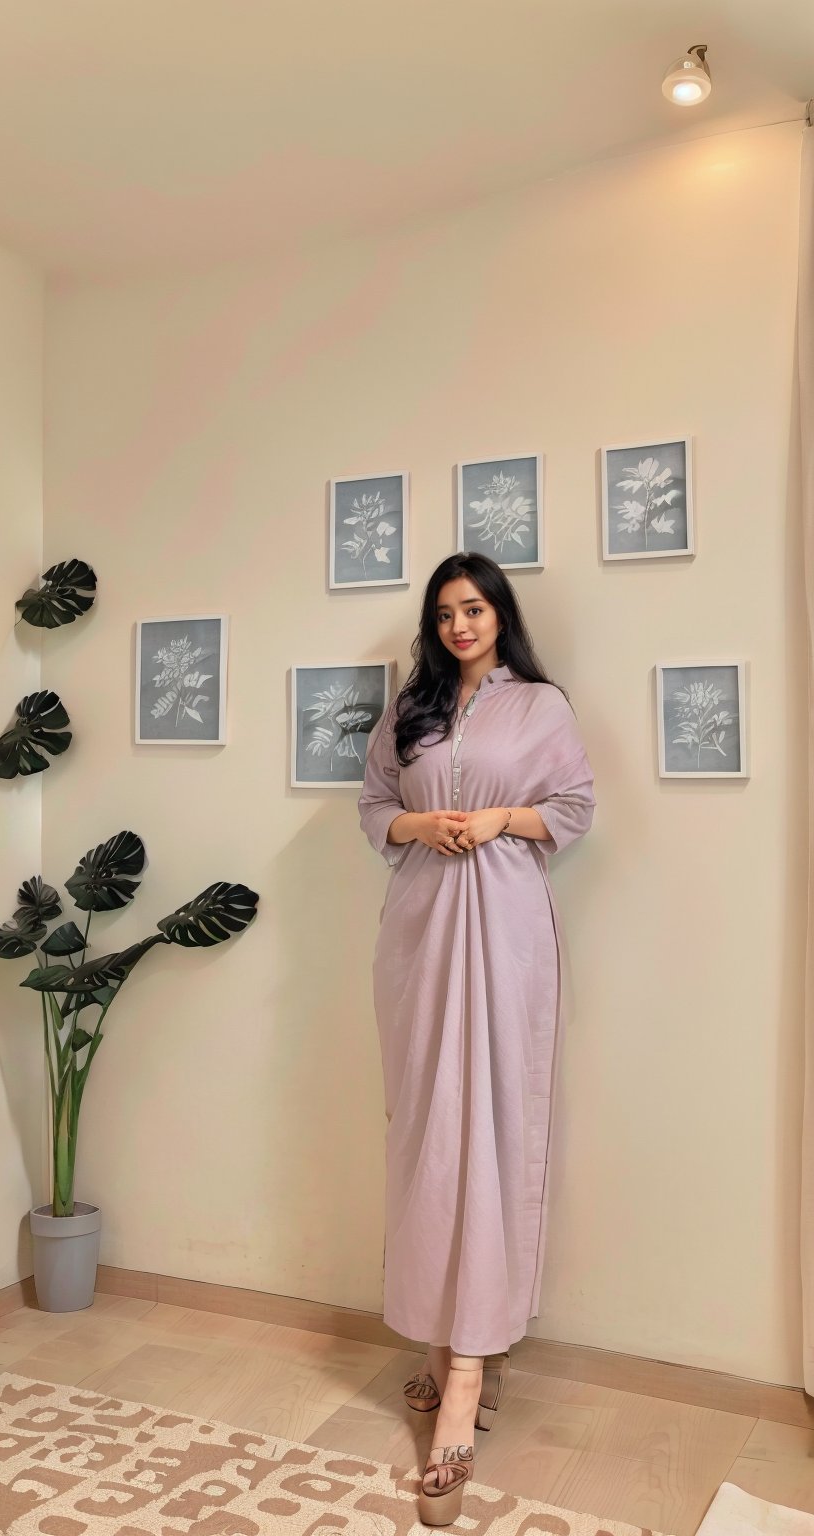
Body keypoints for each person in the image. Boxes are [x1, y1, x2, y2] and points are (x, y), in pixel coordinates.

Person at [357, 552, 596, 1527]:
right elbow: (372, 807)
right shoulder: (407, 708)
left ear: (498, 614)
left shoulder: (539, 706)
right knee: (426, 1135)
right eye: (446, 612)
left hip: (504, 940)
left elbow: (574, 808)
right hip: (416, 940)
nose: (460, 624)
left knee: (490, 1135)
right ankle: (433, 1335)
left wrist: (496, 815)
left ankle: (466, 1372)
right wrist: (419, 825)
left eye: (474, 608)